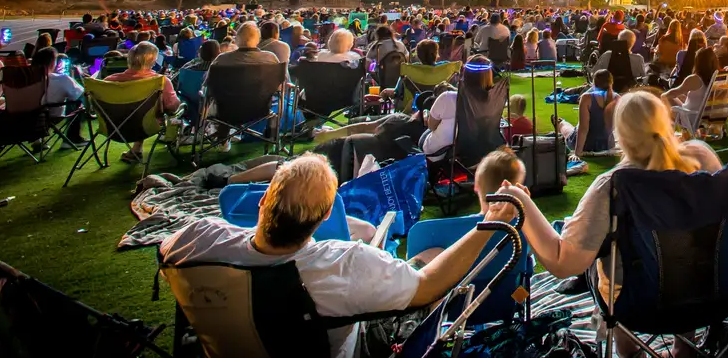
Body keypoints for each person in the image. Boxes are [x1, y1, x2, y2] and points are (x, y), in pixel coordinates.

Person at [160, 153, 519, 358]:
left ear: (263, 200)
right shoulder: (341, 266)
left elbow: (166, 251)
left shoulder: (195, 238)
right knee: (430, 258)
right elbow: (428, 286)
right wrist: (488, 224)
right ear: (326, 216)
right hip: (349, 346)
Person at [488, 92, 720, 355]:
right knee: (683, 255)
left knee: (602, 262)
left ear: (620, 137)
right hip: (712, 292)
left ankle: (630, 351)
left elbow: (564, 263)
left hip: (639, 305)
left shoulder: (613, 186)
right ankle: (683, 348)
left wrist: (521, 200)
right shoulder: (701, 159)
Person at [104, 41, 182, 162]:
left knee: (135, 111)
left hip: (111, 126)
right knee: (146, 112)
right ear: (153, 61)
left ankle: (136, 149)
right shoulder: (160, 81)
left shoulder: (108, 81)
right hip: (146, 126)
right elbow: (172, 107)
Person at [572, 69, 619, 155]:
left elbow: (583, 129)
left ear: (594, 82)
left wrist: (577, 153)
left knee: (566, 129)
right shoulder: (618, 98)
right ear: (611, 82)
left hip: (587, 145)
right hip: (607, 145)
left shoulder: (586, 98)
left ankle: (559, 122)